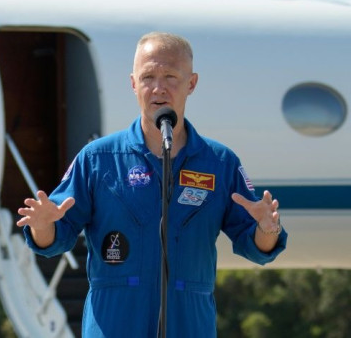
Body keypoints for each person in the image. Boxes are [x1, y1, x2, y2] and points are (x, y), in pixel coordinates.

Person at [16, 32, 287, 337]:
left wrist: (267, 228)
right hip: (115, 323)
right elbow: (56, 240)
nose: (158, 88)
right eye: (148, 77)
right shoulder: (99, 158)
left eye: (171, 76)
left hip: (189, 323)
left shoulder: (219, 163)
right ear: (133, 83)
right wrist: (42, 226)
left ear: (192, 83)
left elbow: (257, 248)